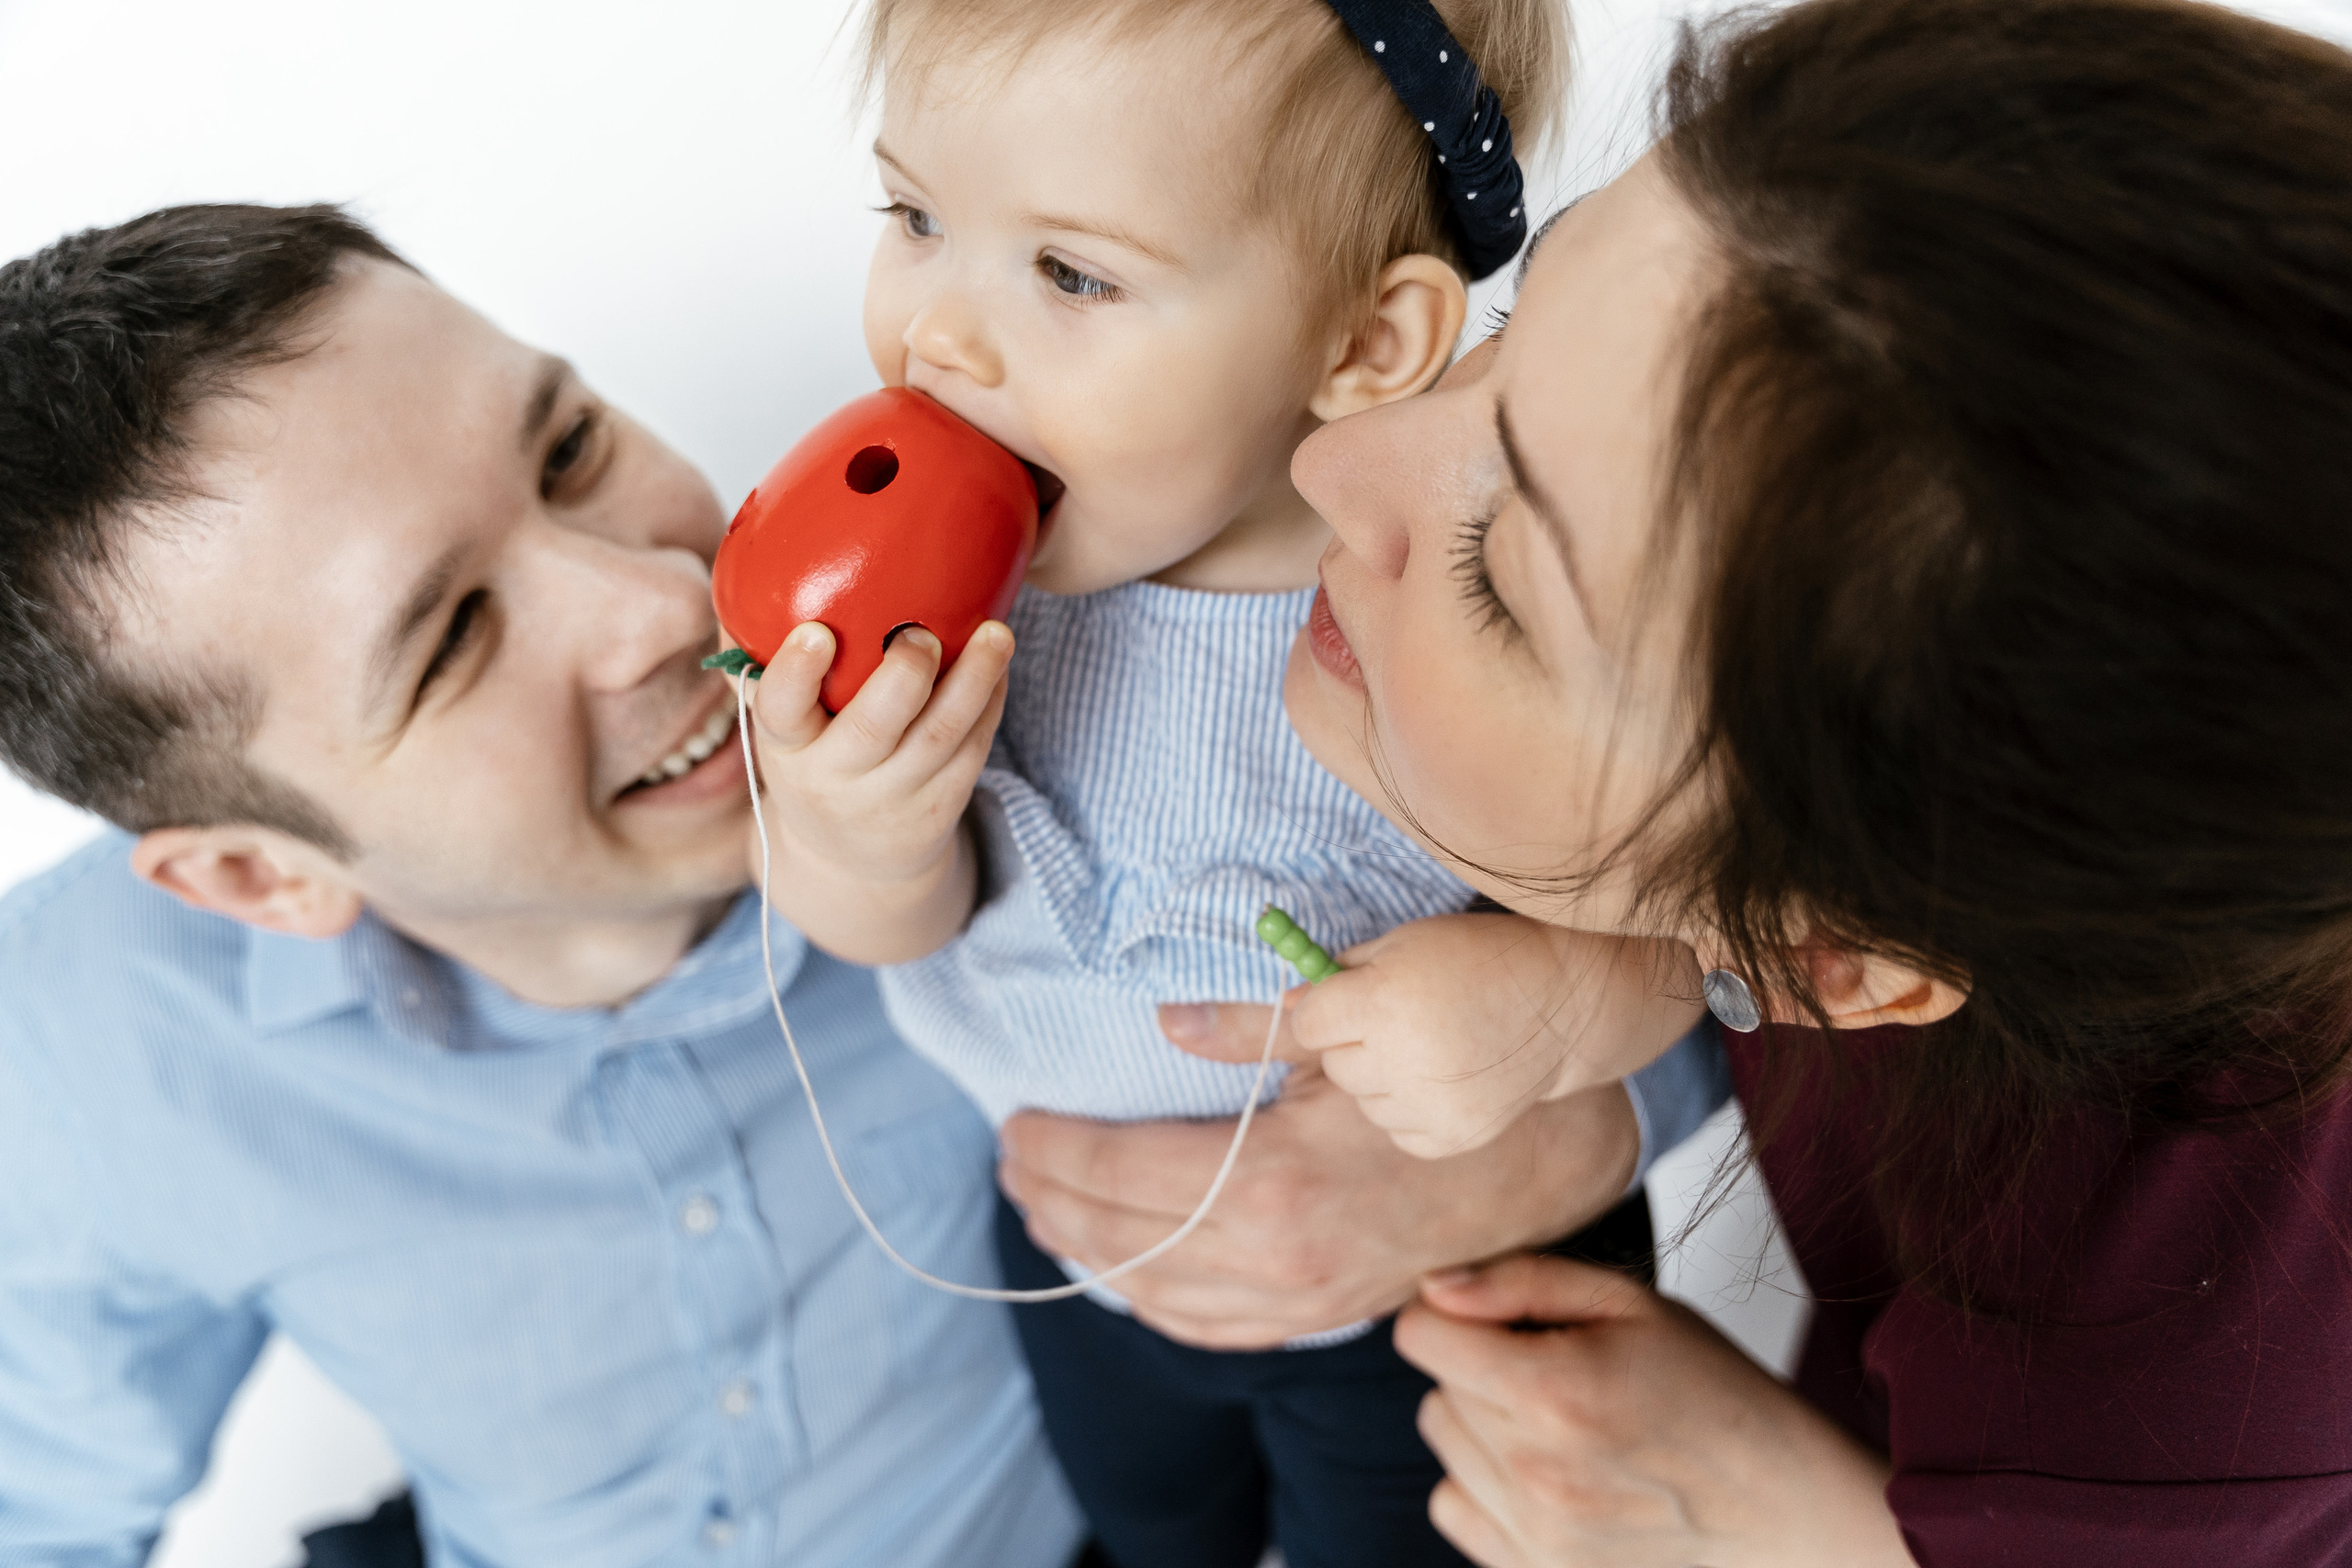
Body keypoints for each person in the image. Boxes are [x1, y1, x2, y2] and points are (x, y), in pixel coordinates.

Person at [0, 201, 1672, 1566]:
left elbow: (1707, 926)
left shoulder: (1076, 685)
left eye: (571, 444)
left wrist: (1556, 1139)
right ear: (246, 873)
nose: (654, 603)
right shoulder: (86, 1048)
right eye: (450, 638)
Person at [1246, 0, 2352, 1561]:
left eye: (1502, 578)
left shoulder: (2172, 1429)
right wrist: (1592, 1017)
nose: (1331, 462)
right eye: (1523, 314)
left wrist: (1779, 1519)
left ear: (1835, 958)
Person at [732, 2, 1722, 1564]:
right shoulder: (960, 600)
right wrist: (856, 828)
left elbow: (1687, 941)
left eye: (1071, 272)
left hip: (1439, 1284)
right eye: (916, 217)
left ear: (1362, 345)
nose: (941, 336)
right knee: (1143, 1524)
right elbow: (893, 930)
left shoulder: (1463, 613)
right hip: (1085, 1250)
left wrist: (1541, 989)